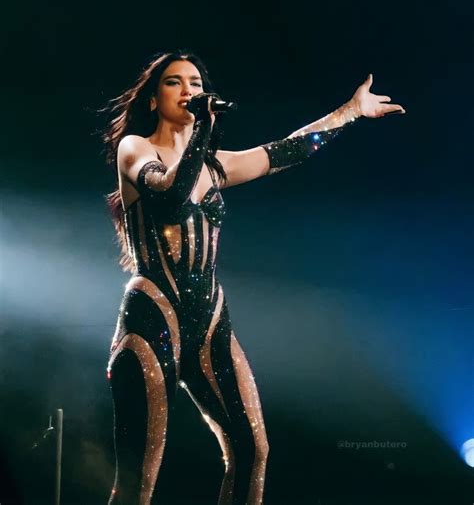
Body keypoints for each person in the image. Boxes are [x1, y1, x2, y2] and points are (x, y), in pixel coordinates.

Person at [102, 50, 405, 504]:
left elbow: (286, 151)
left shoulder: (214, 165)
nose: (190, 90)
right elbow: (167, 196)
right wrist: (203, 129)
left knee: (252, 450)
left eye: (197, 83)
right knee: (139, 478)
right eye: (175, 82)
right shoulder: (136, 149)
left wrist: (351, 112)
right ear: (152, 99)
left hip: (209, 317)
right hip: (153, 316)